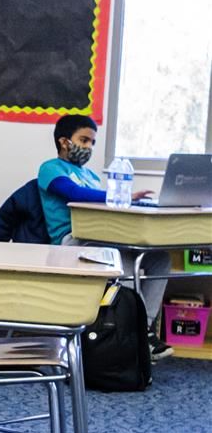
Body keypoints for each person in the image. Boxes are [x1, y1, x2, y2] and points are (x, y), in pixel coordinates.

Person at [38, 113, 169, 347]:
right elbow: (75, 194)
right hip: (73, 240)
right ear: (64, 141)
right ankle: (126, 330)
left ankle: (143, 328)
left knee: (160, 258)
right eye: (84, 140)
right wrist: (122, 196)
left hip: (101, 236)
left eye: (93, 143)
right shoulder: (50, 168)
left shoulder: (90, 176)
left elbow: (106, 207)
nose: (89, 147)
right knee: (123, 261)